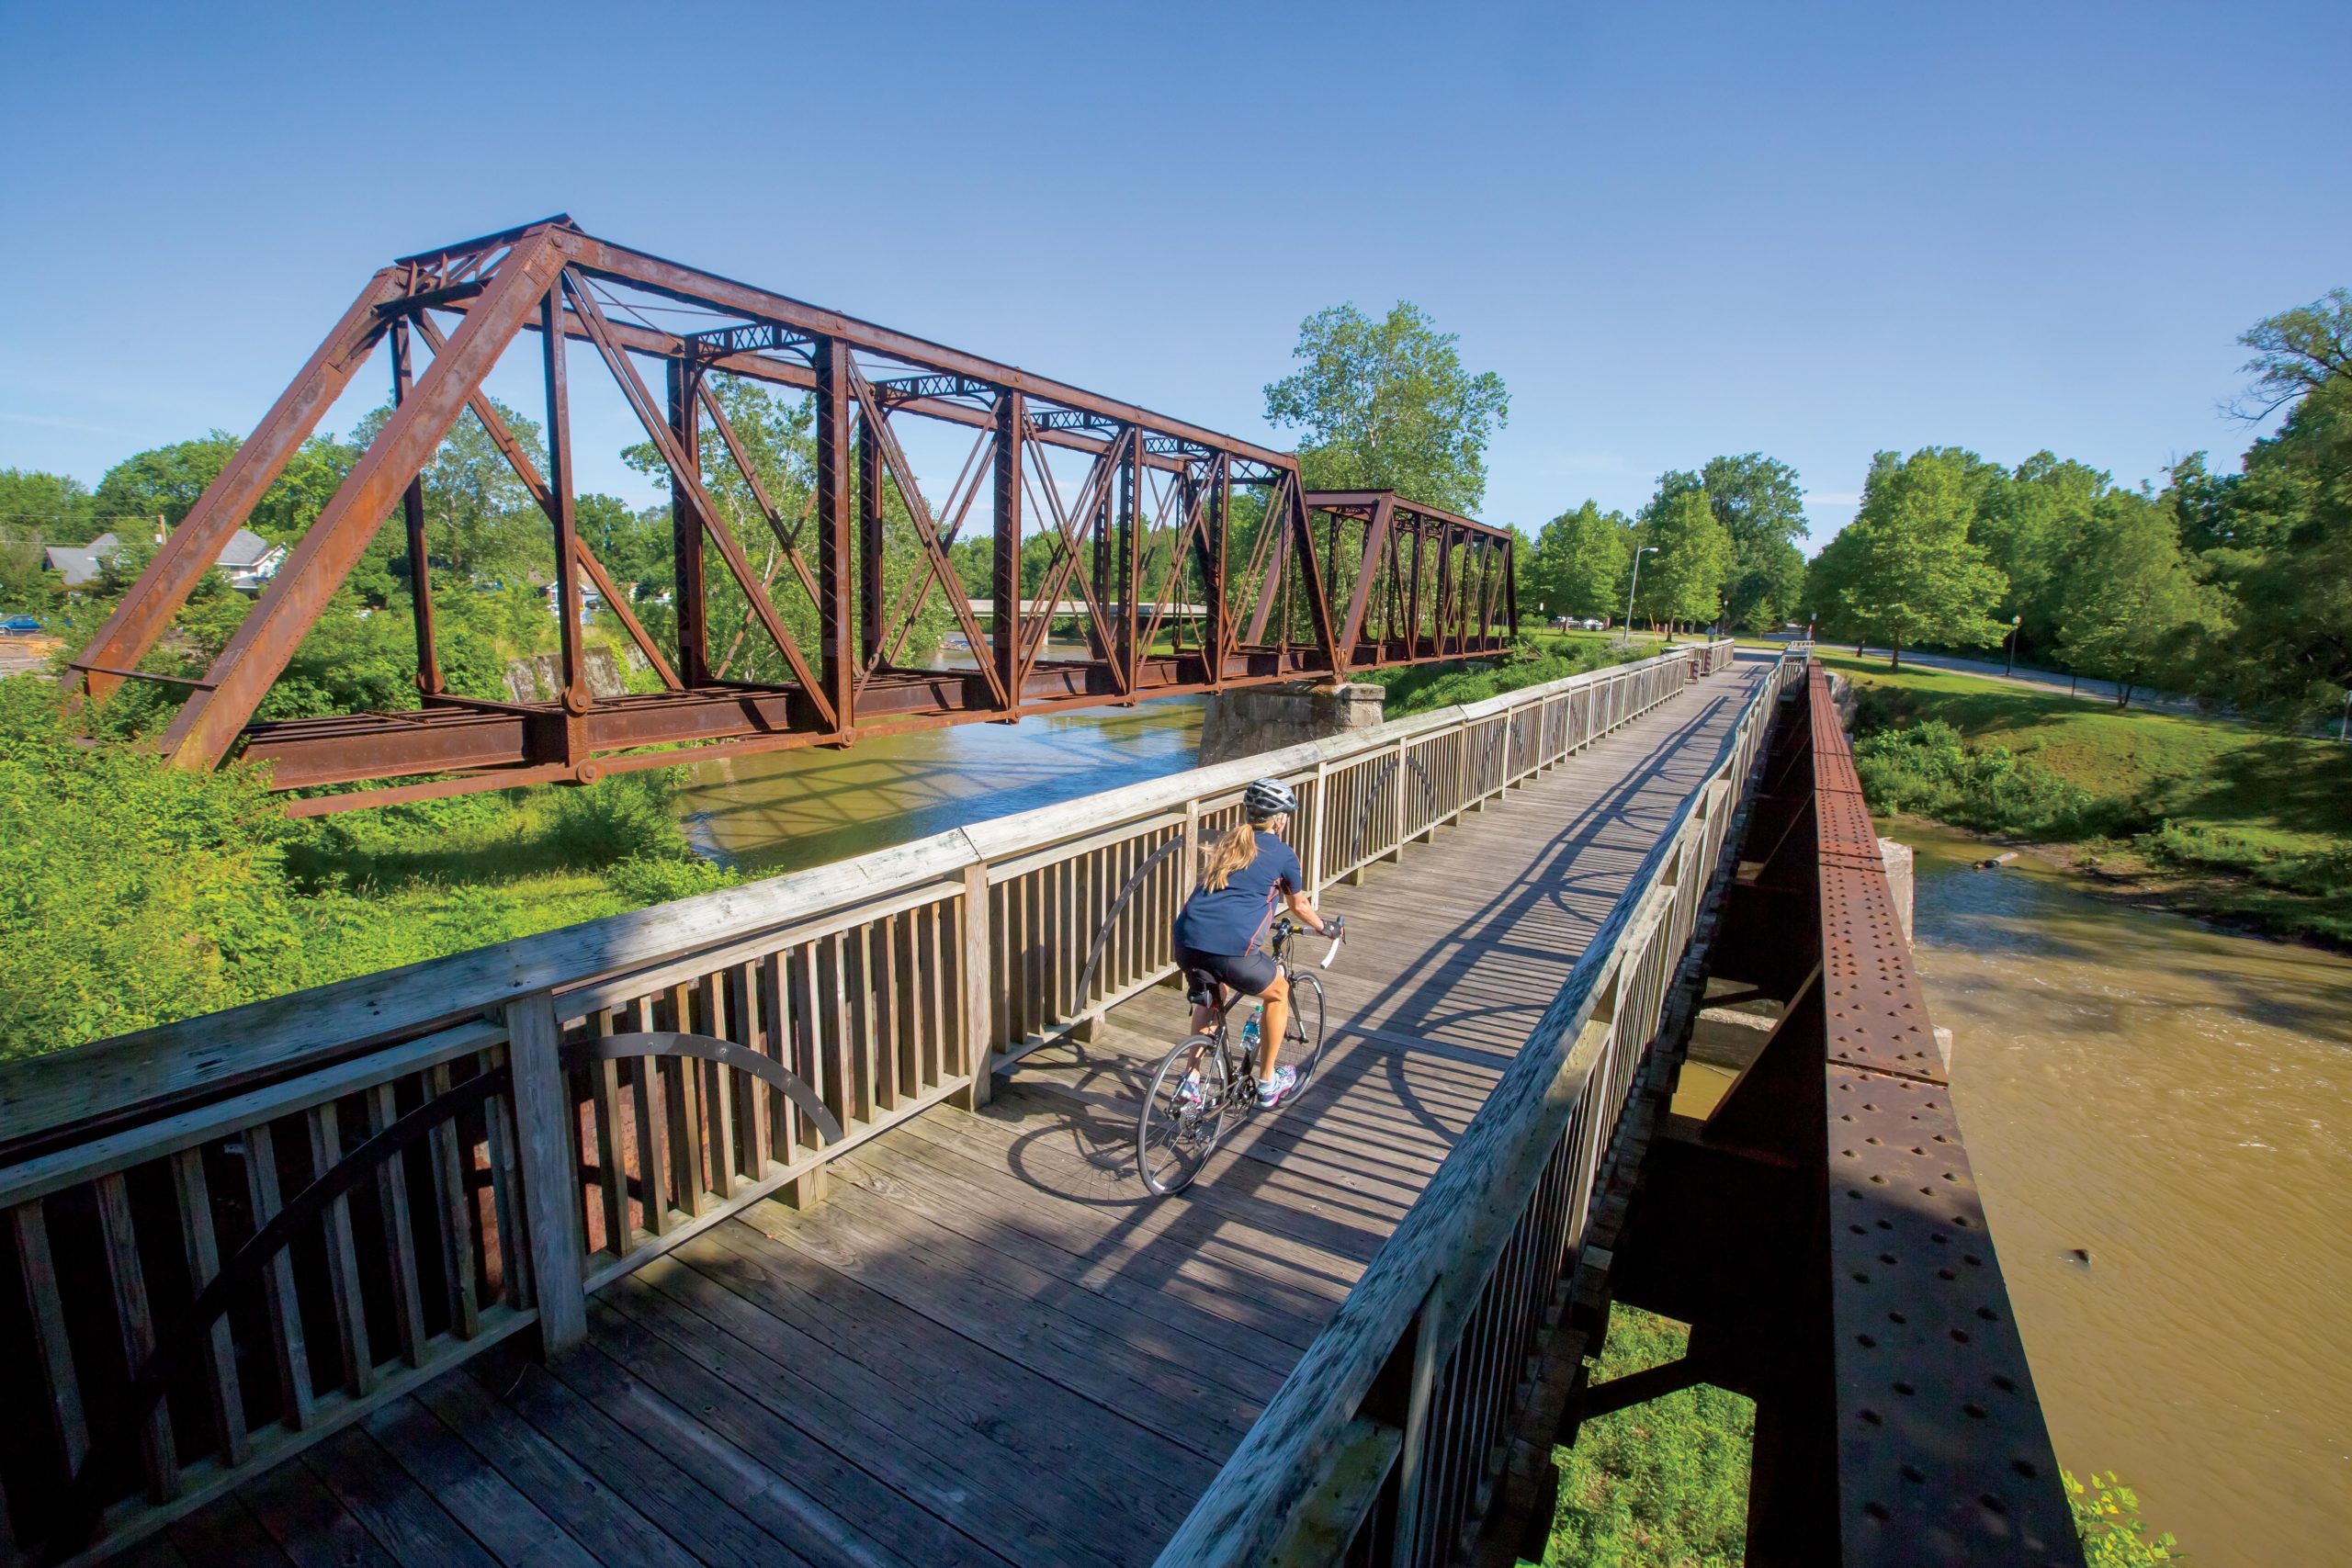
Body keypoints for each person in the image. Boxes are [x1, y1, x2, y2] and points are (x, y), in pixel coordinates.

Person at [1170, 777, 1340, 1108]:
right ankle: (1267, 1083)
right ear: (1279, 819)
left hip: (1187, 939)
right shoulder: (1283, 854)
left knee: (1211, 996)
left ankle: (1190, 1079)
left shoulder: (1228, 844)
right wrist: (1325, 928)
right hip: (1233, 950)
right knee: (1279, 992)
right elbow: (1299, 906)